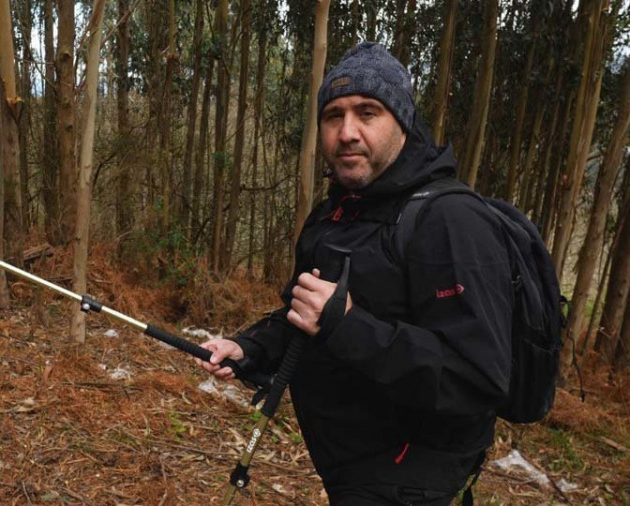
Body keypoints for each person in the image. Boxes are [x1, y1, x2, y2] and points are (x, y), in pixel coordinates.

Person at [196, 42, 512, 505]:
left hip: (414, 482)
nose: (347, 132)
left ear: (401, 122)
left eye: (368, 112)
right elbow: (304, 318)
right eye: (333, 115)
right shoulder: (335, 215)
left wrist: (350, 325)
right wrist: (246, 348)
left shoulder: (451, 221)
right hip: (349, 472)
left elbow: (477, 380)